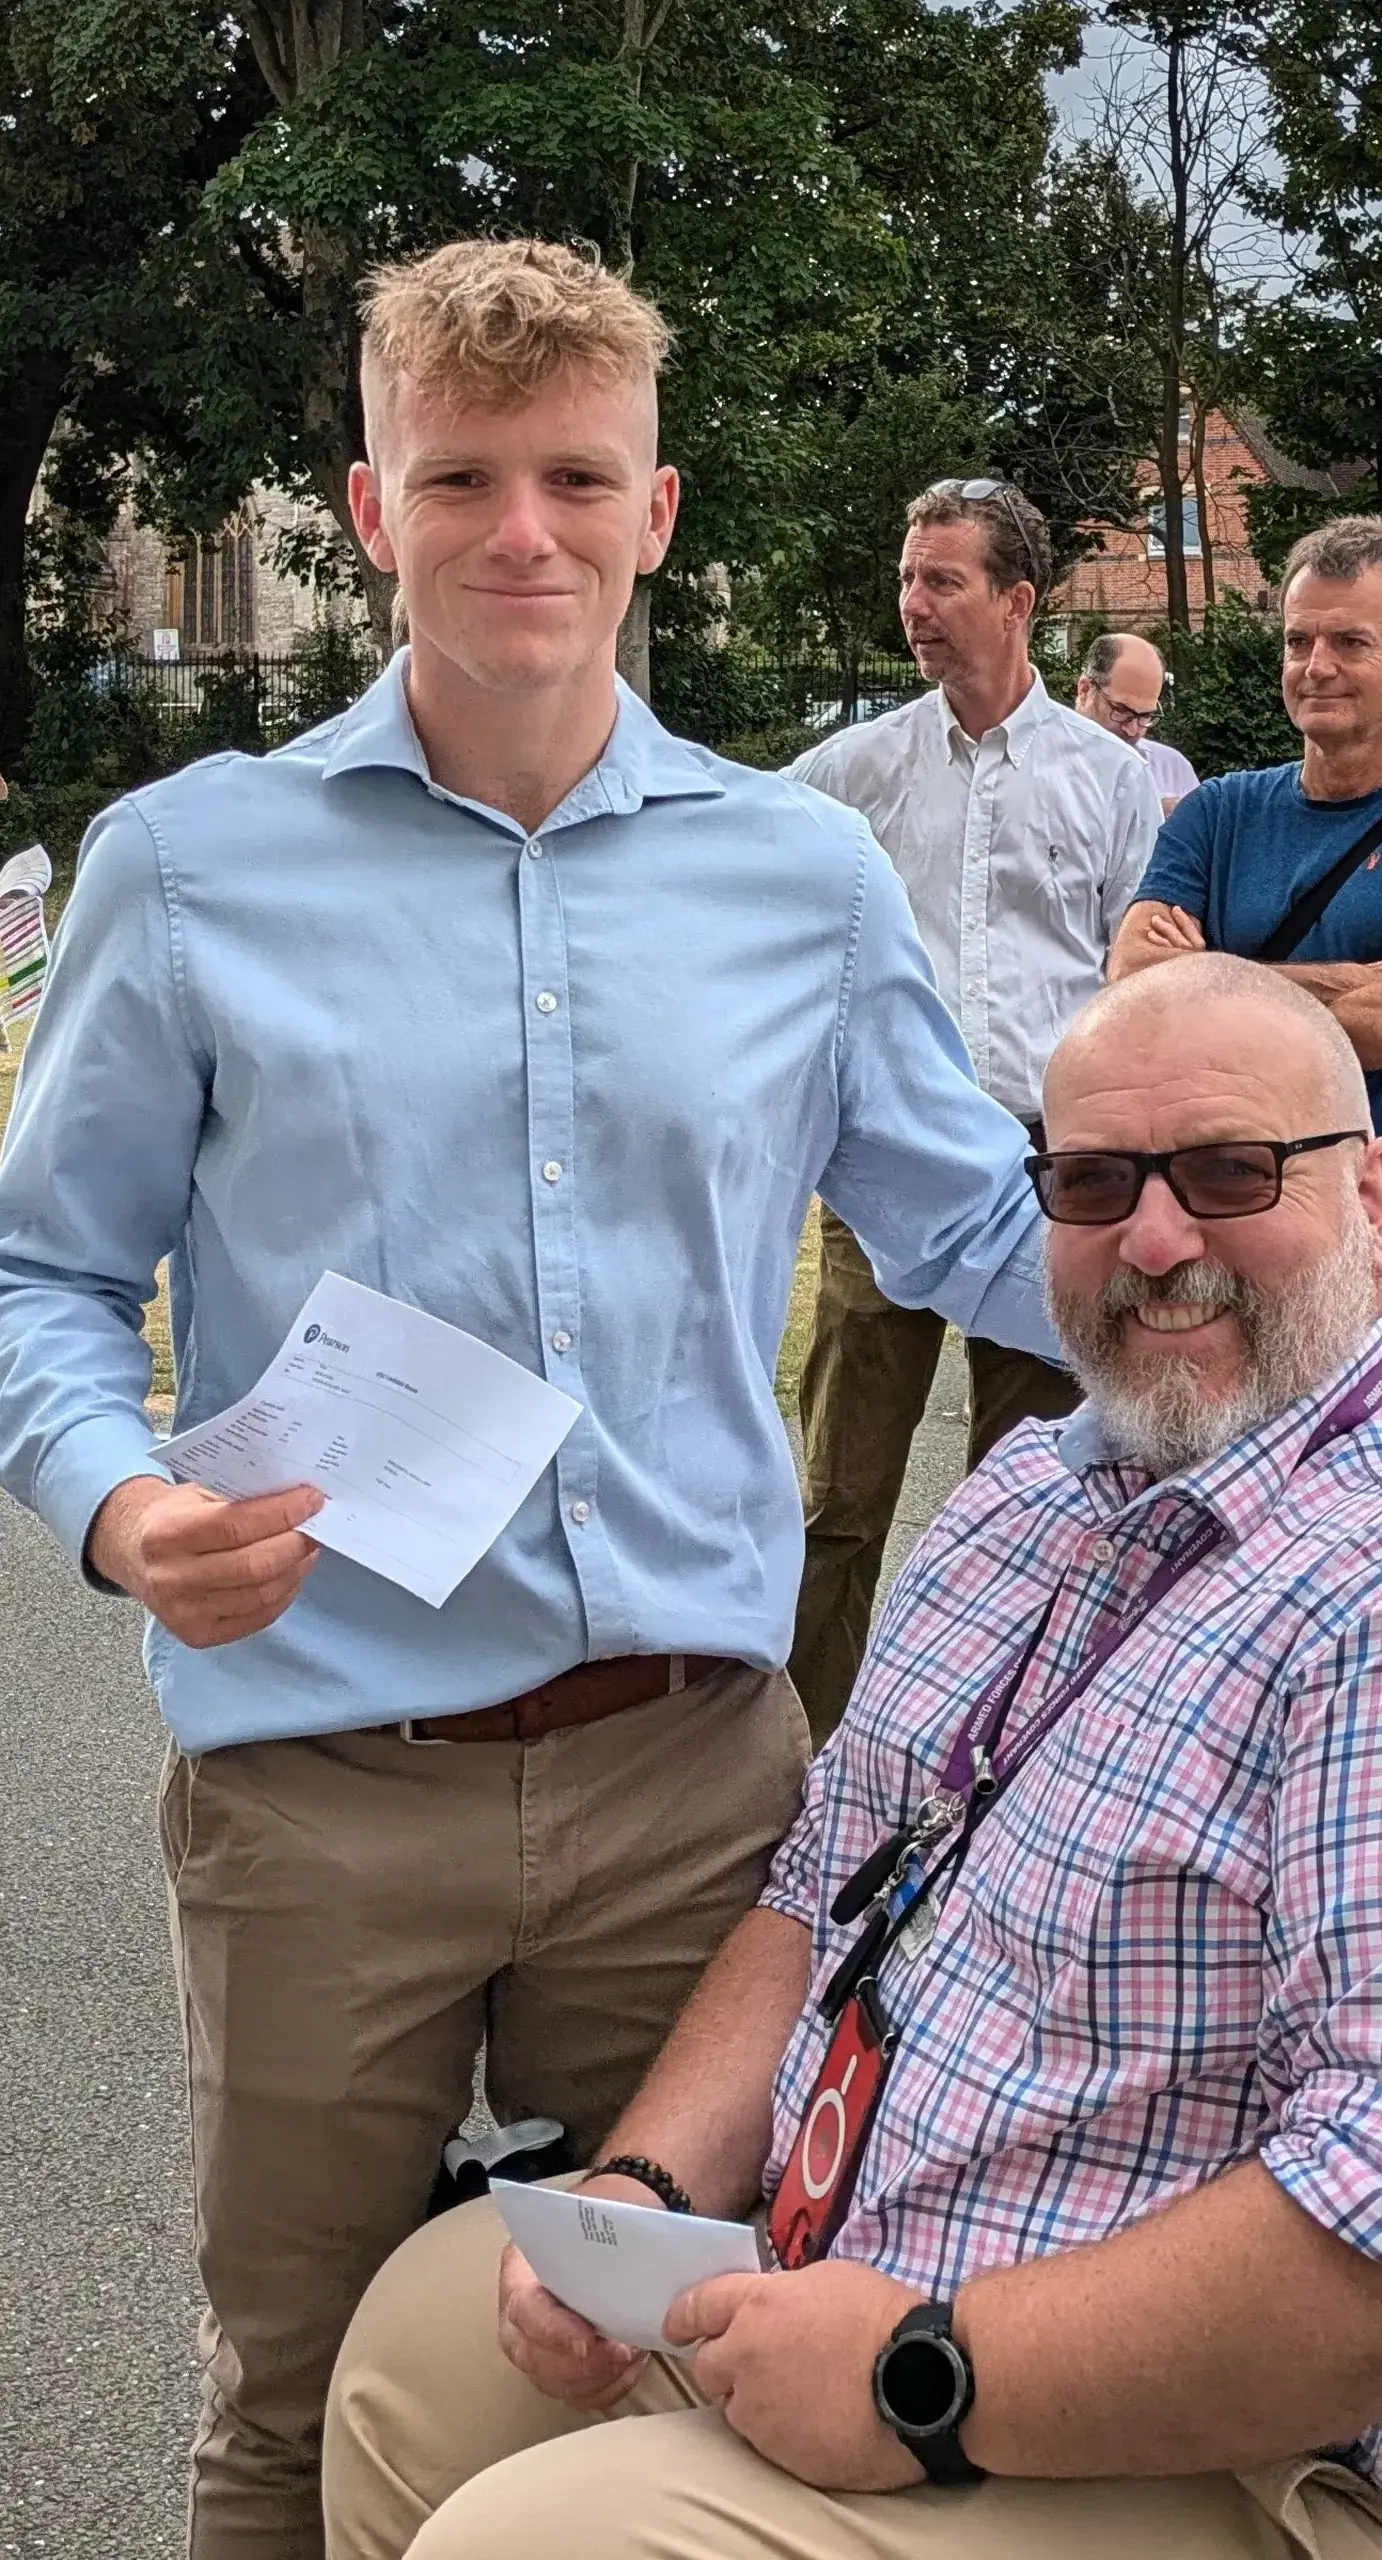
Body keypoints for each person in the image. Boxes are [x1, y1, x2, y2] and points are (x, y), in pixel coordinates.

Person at [0, 243, 1059, 2560]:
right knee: (285, 2409)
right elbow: (44, 1270)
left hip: (695, 1782)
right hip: (316, 1780)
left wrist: (1283, 1283)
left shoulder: (798, 875)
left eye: (573, 475)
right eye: (457, 476)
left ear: (654, 507)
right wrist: (109, 1503)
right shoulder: (185, 870)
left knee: (696, 2364)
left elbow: (984, 1229)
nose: (520, 532)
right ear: (367, 506)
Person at [322, 953, 1382, 2560]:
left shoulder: (1354, 1588)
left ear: (1367, 1188)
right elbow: (824, 1894)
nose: (1155, 1241)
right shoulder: (1032, 1495)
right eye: (1092, 1182)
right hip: (852, 2274)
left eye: (1229, 1172)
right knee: (421, 2341)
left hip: (1201, 2434)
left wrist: (920, 2376)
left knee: (540, 2543)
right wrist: (649, 2192)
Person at [786, 480, 1162, 1741]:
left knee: (1032, 1499)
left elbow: (1134, 978)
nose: (912, 605)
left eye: (941, 581)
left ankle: (993, 1774)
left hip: (1052, 1188)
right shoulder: (846, 775)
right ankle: (785, 1775)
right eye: (906, 578)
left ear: (1018, 600)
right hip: (882, 1178)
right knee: (834, 1498)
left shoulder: (1108, 780)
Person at [1110, 516, 1382, 1125]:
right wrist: (1350, 983)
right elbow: (1135, 983)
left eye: (1350, 642)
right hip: (1234, 1187)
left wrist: (1203, 977)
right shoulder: (1218, 813)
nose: (1315, 666)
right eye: (1297, 641)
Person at [1075, 629, 1199, 812]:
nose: (1133, 730)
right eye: (1121, 710)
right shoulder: (1039, 759)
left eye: (1145, 715)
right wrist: (1149, 816)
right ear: (1085, 690)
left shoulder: (1173, 767)